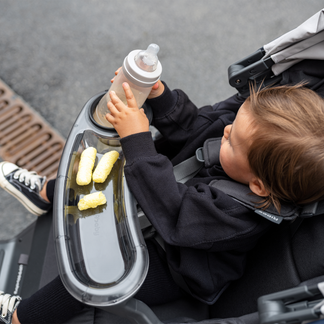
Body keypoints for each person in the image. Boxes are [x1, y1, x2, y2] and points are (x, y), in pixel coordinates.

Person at [1, 78, 324, 323]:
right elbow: (199, 126)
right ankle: (45, 194)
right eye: (233, 123)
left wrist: (137, 140)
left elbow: (175, 213)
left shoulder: (235, 215)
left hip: (174, 265)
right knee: (108, 169)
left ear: (258, 185)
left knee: (94, 279)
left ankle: (20, 316)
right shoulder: (235, 145)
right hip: (167, 207)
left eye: (233, 140)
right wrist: (164, 98)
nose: (225, 131)